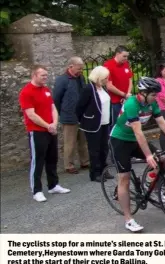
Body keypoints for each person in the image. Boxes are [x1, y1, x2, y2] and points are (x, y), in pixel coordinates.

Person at [109, 77, 165, 233]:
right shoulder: (132, 104)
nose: (156, 97)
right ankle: (128, 219)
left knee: (163, 160)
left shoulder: (152, 103)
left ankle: (150, 185)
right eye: (153, 94)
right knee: (124, 179)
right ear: (143, 93)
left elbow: (163, 123)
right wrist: (147, 156)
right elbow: (138, 132)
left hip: (135, 140)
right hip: (120, 140)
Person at [19, 65, 70, 202]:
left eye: (46, 75)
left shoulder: (46, 90)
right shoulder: (26, 92)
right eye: (43, 75)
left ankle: (53, 185)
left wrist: (54, 123)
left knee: (52, 158)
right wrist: (48, 126)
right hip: (37, 132)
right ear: (34, 75)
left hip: (50, 129)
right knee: (38, 161)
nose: (45, 77)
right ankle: (37, 190)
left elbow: (53, 107)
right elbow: (31, 115)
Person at [53, 56, 89, 174]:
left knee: (83, 141)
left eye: (82, 69)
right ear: (71, 67)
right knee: (70, 142)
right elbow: (56, 98)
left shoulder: (81, 78)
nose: (81, 71)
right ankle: (69, 165)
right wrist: (62, 111)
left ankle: (85, 162)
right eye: (79, 68)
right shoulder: (62, 80)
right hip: (69, 116)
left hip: (81, 115)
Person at [76, 66, 112, 182]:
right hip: (93, 124)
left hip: (105, 122)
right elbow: (79, 107)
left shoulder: (103, 88)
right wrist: (84, 120)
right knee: (94, 149)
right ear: (99, 78)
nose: (107, 80)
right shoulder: (88, 89)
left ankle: (103, 170)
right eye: (105, 78)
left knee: (104, 148)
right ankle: (95, 173)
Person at [104, 46, 134, 129]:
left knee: (127, 123)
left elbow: (130, 80)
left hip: (126, 99)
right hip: (115, 101)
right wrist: (124, 94)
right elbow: (109, 86)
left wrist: (128, 94)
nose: (126, 58)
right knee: (116, 124)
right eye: (124, 56)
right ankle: (113, 141)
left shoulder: (126, 64)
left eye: (127, 56)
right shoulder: (108, 65)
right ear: (117, 54)